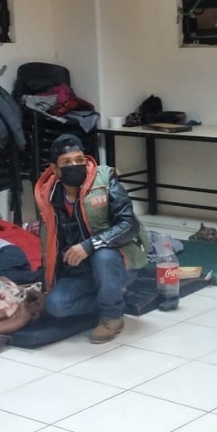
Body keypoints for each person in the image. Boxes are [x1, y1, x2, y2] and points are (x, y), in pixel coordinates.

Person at [35, 134, 147, 343]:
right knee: (56, 305)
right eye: (67, 162)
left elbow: (129, 224)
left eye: (79, 160)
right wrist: (46, 287)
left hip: (117, 263)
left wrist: (89, 245)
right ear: (55, 170)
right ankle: (112, 297)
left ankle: (112, 316)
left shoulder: (105, 181)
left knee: (103, 255)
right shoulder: (48, 197)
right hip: (80, 271)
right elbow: (49, 246)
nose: (75, 165)